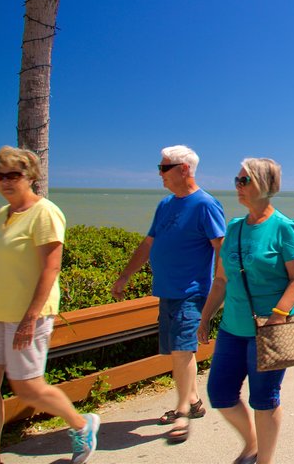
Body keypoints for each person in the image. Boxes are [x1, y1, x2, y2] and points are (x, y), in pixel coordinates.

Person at [0, 147, 99, 464]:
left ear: (31, 177)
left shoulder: (45, 213)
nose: (6, 182)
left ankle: (82, 424)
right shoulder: (3, 214)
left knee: (27, 387)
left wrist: (30, 318)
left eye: (14, 175)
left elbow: (51, 269)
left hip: (27, 315)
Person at [198, 158, 294, 464]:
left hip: (269, 329)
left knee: (264, 400)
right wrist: (205, 316)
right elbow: (220, 279)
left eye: (244, 180)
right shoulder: (233, 228)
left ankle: (265, 460)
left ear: (265, 185)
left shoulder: (284, 228)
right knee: (220, 393)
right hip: (232, 328)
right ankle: (251, 444)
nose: (238, 185)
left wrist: (278, 315)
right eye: (237, 179)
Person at [112, 145, 225, 443]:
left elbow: (220, 249)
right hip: (167, 291)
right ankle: (195, 402)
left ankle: (182, 413)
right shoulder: (165, 205)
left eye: (164, 167)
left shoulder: (206, 205)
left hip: (192, 291)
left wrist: (219, 289)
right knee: (177, 350)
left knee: (182, 349)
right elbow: (149, 243)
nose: (158, 173)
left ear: (184, 169)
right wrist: (125, 275)